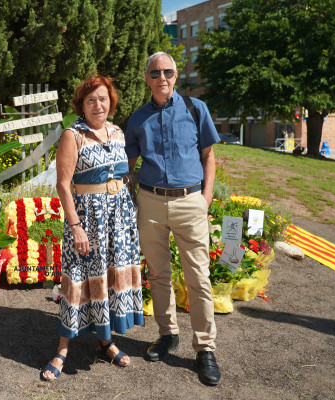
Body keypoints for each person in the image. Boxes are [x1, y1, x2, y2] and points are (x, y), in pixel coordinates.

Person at [125, 52, 222, 386]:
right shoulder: (138, 119)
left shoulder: (196, 109)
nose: (161, 77)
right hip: (151, 203)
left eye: (167, 71)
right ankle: (168, 335)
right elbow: (128, 166)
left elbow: (209, 157)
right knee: (158, 274)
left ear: (176, 75)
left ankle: (205, 348)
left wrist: (205, 199)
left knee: (198, 276)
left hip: (189, 202)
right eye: (155, 73)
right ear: (147, 78)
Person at [41, 75, 143, 381]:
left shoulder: (118, 132)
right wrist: (76, 226)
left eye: (103, 98)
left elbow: (127, 173)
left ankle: (106, 342)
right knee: (79, 281)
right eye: (90, 100)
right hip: (88, 220)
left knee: (110, 278)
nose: (98, 104)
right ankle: (62, 351)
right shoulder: (73, 135)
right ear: (81, 106)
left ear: (111, 102)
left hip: (119, 218)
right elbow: (62, 184)